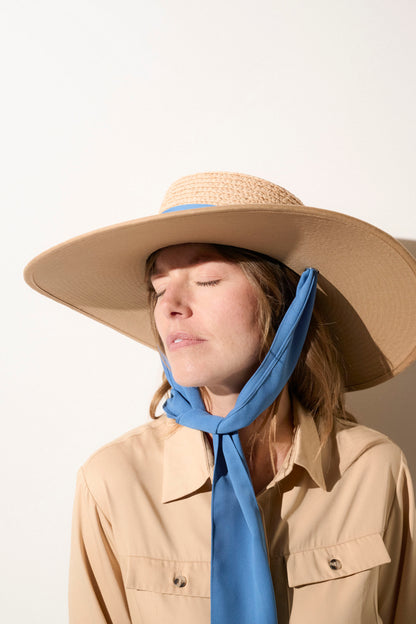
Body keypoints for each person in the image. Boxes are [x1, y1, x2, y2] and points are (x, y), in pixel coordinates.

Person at [23, 171, 416, 623]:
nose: (170, 306)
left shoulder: (373, 470)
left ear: (284, 304)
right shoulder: (114, 481)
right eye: (158, 288)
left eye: (207, 280)